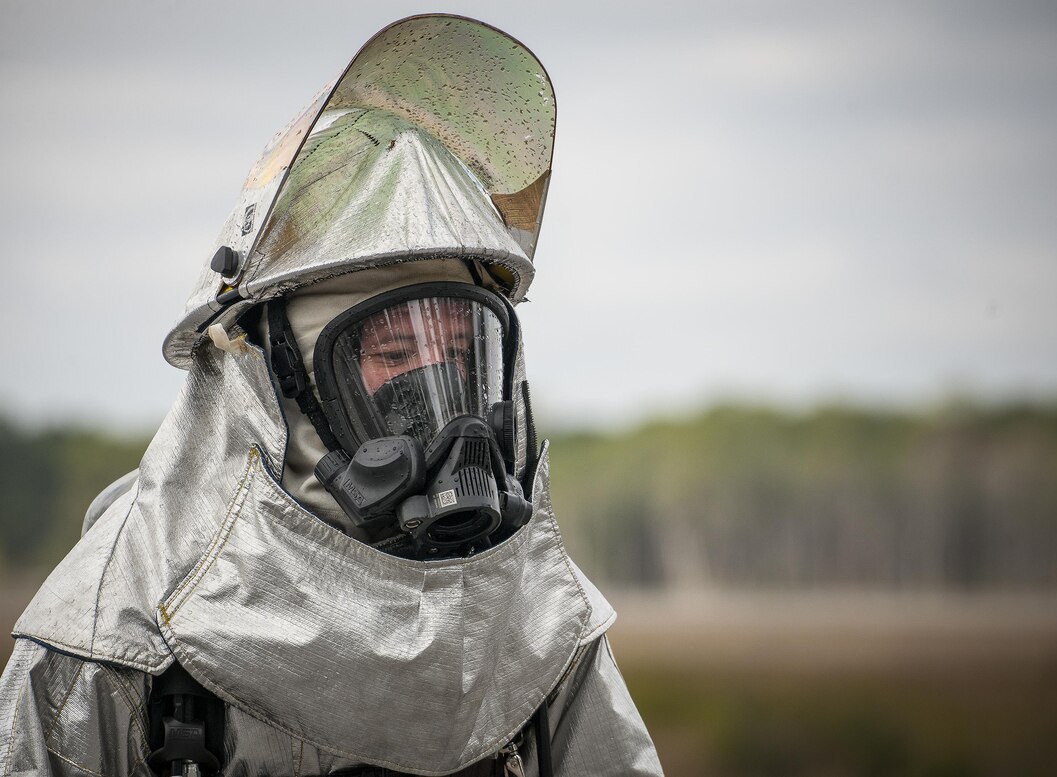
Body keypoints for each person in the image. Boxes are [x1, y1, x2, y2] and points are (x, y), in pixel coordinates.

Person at [0, 15, 664, 777]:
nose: (444, 409)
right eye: (393, 353)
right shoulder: (110, 632)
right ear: (277, 377)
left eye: (459, 355)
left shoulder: (539, 617)